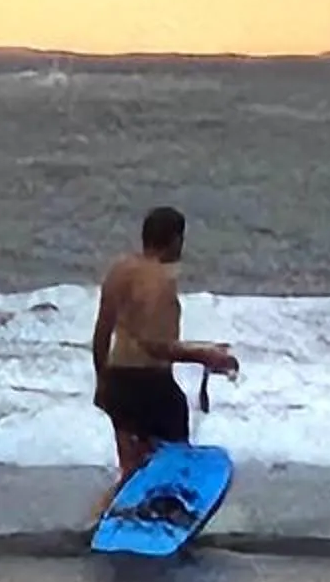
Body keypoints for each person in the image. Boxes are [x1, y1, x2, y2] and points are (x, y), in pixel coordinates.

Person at [91, 205, 240, 490]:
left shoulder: (119, 271)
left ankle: (99, 520)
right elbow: (156, 347)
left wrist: (103, 382)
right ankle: (163, 517)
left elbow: (101, 333)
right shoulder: (159, 280)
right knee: (171, 467)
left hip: (118, 381)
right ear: (175, 240)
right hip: (151, 387)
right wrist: (207, 355)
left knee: (132, 471)